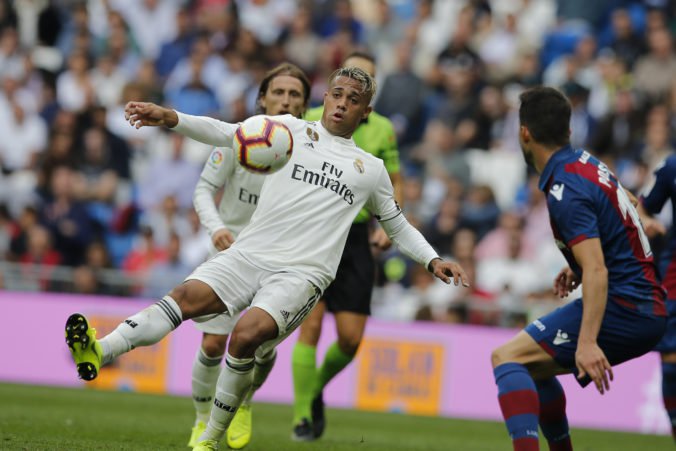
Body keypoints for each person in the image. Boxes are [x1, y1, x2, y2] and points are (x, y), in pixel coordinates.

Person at [65, 66, 469, 451]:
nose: (343, 103)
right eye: (338, 94)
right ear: (325, 98)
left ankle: (209, 438)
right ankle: (100, 352)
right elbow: (224, 132)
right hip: (248, 254)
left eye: (354, 99)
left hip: (301, 275)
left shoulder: (371, 169)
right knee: (183, 298)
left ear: (366, 112)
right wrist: (169, 117)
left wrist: (433, 260)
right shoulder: (288, 131)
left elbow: (397, 225)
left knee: (244, 337)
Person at [491, 86, 666, 451]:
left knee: (506, 358)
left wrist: (586, 343)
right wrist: (577, 262)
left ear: (524, 133)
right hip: (642, 300)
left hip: (626, 306)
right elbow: (626, 204)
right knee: (530, 365)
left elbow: (599, 271)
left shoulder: (565, 187)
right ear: (568, 132)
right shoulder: (586, 162)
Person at [187, 62, 311, 449]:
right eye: (279, 92)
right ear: (262, 98)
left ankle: (244, 402)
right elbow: (204, 190)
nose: (286, 101)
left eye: (295, 95)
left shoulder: (314, 150)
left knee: (260, 347)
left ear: (305, 105)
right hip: (231, 250)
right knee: (212, 344)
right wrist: (217, 228)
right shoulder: (239, 138)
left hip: (280, 261)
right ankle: (201, 420)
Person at [290, 50, 402, 440]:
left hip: (354, 238)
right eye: (345, 82)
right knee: (311, 326)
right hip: (316, 233)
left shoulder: (383, 130)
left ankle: (314, 388)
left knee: (351, 339)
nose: (349, 93)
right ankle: (303, 414)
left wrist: (387, 224)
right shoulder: (308, 121)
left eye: (363, 81)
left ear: (369, 96)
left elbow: (394, 179)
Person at [638, 158, 676, 441]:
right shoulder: (672, 166)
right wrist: (650, 223)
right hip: (674, 274)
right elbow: (644, 209)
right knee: (672, 358)